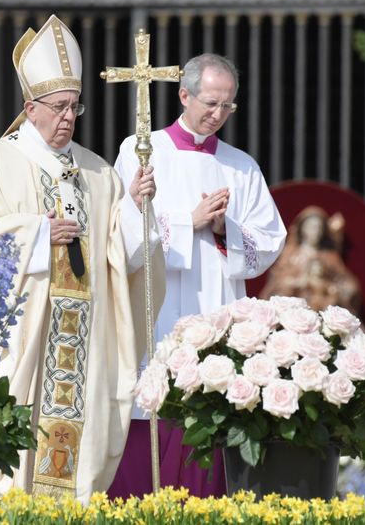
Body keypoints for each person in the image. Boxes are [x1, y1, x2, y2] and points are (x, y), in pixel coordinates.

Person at [0, 14, 165, 504]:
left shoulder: (99, 172)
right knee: (9, 473)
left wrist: (134, 206)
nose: (68, 117)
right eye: (58, 107)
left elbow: (123, 258)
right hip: (23, 343)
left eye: (75, 107)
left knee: (76, 478)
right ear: (30, 107)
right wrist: (36, 234)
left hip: (84, 347)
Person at [110, 53, 287, 498]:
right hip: (160, 311)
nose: (218, 114)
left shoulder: (241, 166)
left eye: (228, 106)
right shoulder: (140, 151)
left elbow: (271, 240)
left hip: (218, 309)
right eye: (210, 103)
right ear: (183, 94)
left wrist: (227, 228)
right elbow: (123, 235)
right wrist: (191, 221)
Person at [260, 206, 361, 313]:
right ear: (302, 228)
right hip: (294, 306)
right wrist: (295, 282)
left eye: (319, 228)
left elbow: (343, 279)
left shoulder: (329, 256)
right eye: (311, 227)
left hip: (323, 305)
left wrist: (338, 288)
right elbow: (277, 281)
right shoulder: (290, 254)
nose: (316, 231)